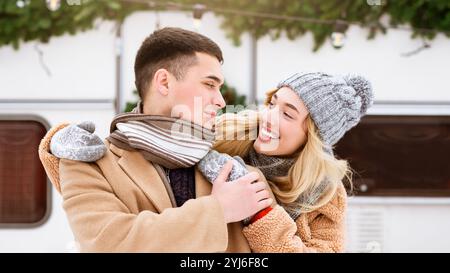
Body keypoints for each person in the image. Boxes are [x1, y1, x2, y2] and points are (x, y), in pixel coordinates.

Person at [41, 71, 373, 252]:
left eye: (287, 113)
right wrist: (59, 143)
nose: (269, 117)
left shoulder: (324, 194)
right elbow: (140, 147)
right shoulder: (222, 135)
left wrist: (263, 216)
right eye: (273, 102)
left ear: (312, 136)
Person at [38, 27, 273, 252]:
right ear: (164, 82)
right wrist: (218, 211)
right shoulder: (86, 164)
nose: (221, 101)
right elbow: (108, 245)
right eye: (209, 84)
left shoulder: (238, 173)